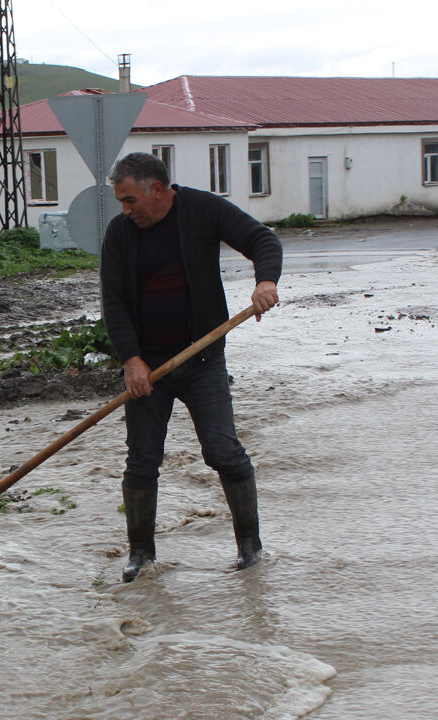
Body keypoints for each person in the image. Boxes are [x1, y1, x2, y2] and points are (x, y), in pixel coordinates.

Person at [99, 151, 282, 582]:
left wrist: (266, 280)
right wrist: (131, 360)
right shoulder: (120, 234)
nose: (125, 211)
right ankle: (141, 554)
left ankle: (249, 546)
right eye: (121, 203)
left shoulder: (202, 209)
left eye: (129, 201)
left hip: (203, 357)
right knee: (142, 460)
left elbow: (263, 240)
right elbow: (114, 302)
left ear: (157, 190)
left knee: (222, 450)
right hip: (148, 366)